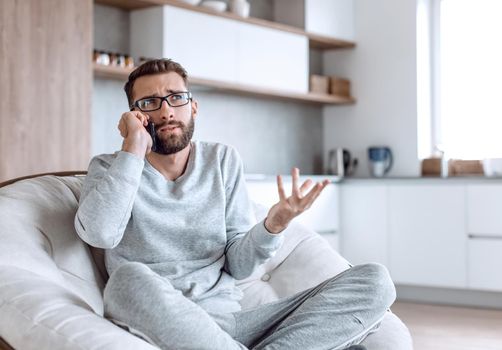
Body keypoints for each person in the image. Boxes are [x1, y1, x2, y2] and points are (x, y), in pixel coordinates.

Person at [75, 58, 396, 350]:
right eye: (149, 103)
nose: (166, 111)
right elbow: (100, 234)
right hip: (160, 319)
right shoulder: (110, 168)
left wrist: (274, 225)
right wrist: (133, 148)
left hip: (234, 325)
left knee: (375, 281)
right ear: (133, 116)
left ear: (193, 107)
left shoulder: (222, 160)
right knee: (126, 281)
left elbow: (239, 265)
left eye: (176, 97)